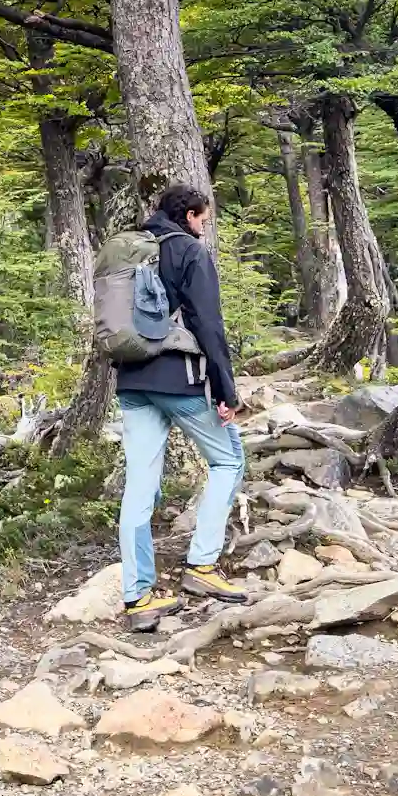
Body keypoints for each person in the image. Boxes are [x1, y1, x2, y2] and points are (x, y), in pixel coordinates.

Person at [115, 183, 247, 624]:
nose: (203, 229)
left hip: (132, 380)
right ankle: (202, 566)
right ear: (188, 215)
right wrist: (227, 390)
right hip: (179, 380)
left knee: (139, 484)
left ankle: (138, 598)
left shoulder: (134, 249)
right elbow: (208, 323)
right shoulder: (188, 251)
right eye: (203, 220)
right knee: (229, 461)